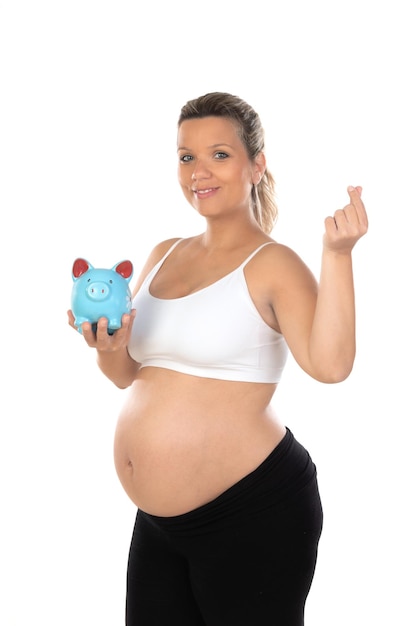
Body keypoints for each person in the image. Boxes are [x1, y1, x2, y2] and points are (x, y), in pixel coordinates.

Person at [68, 91, 368, 626]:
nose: (198, 172)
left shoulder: (273, 264)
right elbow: (127, 376)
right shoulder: (164, 254)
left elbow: (331, 366)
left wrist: (337, 256)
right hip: (159, 524)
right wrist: (107, 349)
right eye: (186, 157)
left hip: (253, 514)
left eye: (219, 154)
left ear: (256, 165)